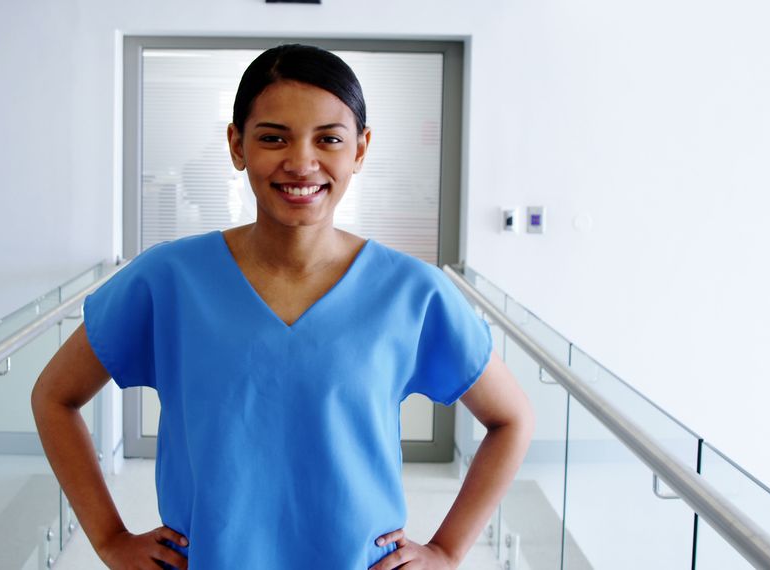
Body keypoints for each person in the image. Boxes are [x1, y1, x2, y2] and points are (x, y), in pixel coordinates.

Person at [32, 44, 534, 570]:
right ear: (236, 145)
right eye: (273, 137)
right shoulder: (168, 280)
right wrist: (111, 540)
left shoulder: (412, 292)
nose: (300, 162)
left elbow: (511, 418)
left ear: (360, 150)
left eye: (329, 139)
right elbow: (54, 397)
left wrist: (447, 551)